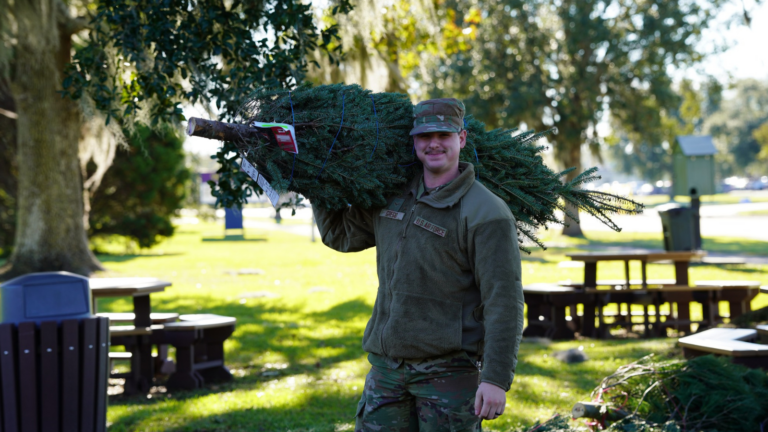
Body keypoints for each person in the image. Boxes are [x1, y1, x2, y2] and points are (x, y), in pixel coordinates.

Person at [312, 98, 524, 431]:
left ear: (462, 138)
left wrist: (496, 379)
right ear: (413, 141)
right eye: (425, 136)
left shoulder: (486, 213)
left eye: (444, 134)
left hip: (448, 375)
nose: (434, 143)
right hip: (386, 371)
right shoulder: (390, 196)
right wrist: (314, 178)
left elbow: (504, 301)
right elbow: (341, 236)